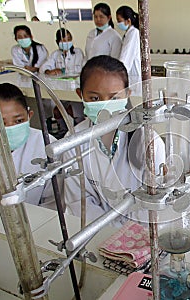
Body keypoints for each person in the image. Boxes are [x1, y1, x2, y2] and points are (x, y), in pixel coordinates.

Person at [62, 55, 165, 222]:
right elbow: (78, 202)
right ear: (80, 95)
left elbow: (152, 200)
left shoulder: (149, 142)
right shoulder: (73, 142)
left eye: (114, 98)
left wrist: (126, 234)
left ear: (127, 95)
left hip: (139, 232)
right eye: (95, 98)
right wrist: (107, 231)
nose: (105, 105)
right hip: (93, 230)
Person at [0, 83, 56, 208]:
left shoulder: (46, 144)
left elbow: (53, 202)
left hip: (37, 221)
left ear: (29, 116)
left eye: (18, 121)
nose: (9, 128)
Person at [40, 28, 86, 130]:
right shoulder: (55, 54)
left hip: (75, 90)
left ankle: (79, 130)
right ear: (58, 42)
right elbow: (44, 67)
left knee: (73, 111)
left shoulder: (78, 53)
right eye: (63, 40)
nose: (66, 42)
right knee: (57, 111)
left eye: (69, 39)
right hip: (62, 91)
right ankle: (64, 131)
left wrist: (64, 72)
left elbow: (80, 70)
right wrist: (49, 71)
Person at [116, 6, 141, 91]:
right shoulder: (128, 34)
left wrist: (117, 74)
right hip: (131, 76)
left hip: (134, 76)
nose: (118, 24)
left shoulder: (133, 33)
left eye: (119, 21)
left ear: (128, 21)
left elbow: (126, 57)